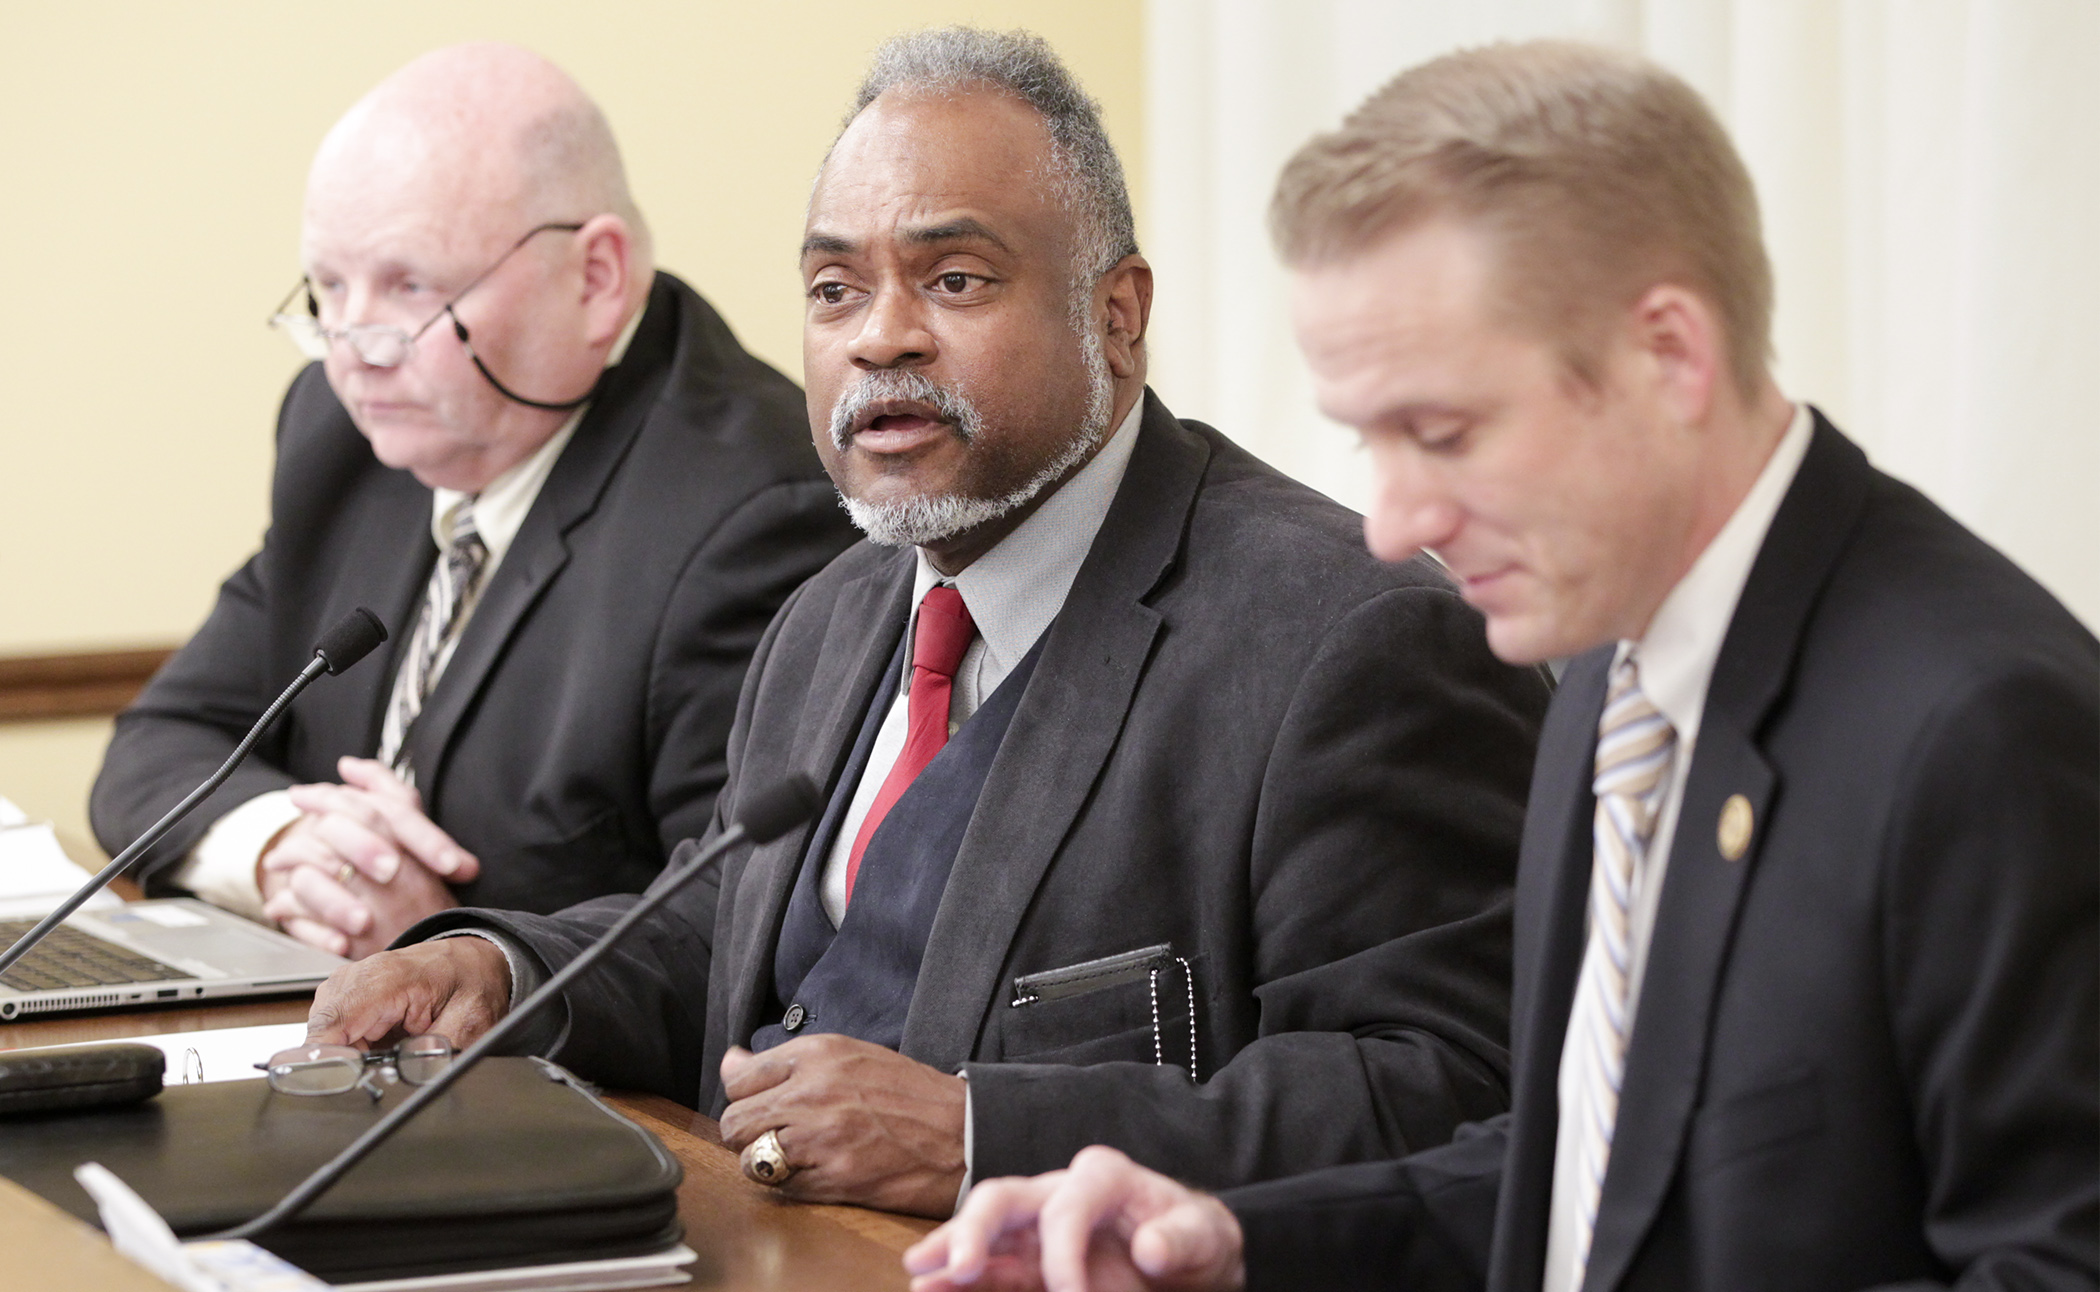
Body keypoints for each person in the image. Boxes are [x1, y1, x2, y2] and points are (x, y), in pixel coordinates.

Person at [904, 39, 2099, 1292]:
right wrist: (1239, 1235)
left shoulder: (1983, 727)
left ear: (1671, 356)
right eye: (1372, 440)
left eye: (1446, 431)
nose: (1396, 524)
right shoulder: (1610, 662)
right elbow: (1585, 1175)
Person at [304, 28, 1553, 1218]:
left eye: (955, 279)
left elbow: (1453, 1097)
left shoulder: (1352, 634)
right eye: (835, 290)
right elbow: (737, 950)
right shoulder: (828, 615)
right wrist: (500, 971)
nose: (882, 337)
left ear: (1116, 314)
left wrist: (979, 1133)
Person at [90, 44, 857, 959]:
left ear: (596, 278)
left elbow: (737, 929)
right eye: (330, 287)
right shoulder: (343, 436)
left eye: (412, 286)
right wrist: (281, 848)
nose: (354, 347)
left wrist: (456, 946)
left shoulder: (754, 511)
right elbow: (156, 743)